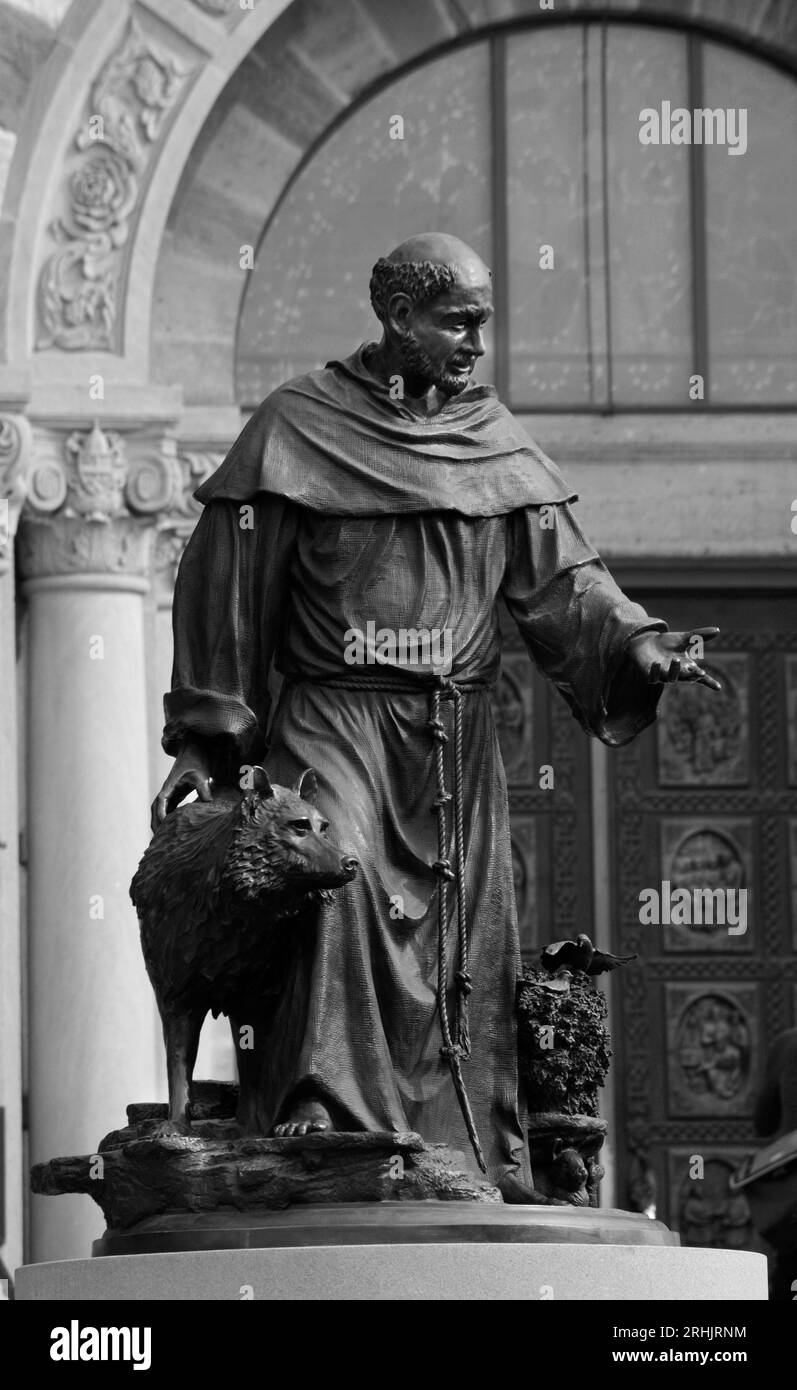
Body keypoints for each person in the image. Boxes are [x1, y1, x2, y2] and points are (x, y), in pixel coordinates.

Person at [152, 233, 719, 1201]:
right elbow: (229, 582)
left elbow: (564, 581)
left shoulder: (491, 441)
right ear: (397, 317)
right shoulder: (298, 425)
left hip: (450, 736)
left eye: (482, 321)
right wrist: (211, 737)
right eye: (457, 320)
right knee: (334, 873)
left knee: (466, 939)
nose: (473, 342)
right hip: (334, 715)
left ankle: (464, 1147)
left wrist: (633, 641)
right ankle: (320, 1108)